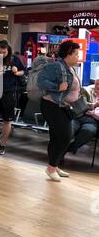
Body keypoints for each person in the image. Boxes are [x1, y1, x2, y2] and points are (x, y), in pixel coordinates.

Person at [37, 40, 81, 181]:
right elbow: (41, 81)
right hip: (51, 105)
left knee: (57, 137)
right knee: (65, 136)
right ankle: (51, 168)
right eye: (75, 54)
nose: (78, 57)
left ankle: (53, 166)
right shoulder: (56, 66)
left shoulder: (71, 68)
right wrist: (57, 87)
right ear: (67, 54)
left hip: (62, 106)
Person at [0, 40, 25, 155]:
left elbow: (23, 72)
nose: (2, 54)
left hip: (9, 92)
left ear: (8, 50)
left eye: (4, 52)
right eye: (0, 52)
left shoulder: (15, 59)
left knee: (7, 120)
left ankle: (2, 145)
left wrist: (17, 72)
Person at [67, 79, 99, 154]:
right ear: (94, 83)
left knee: (88, 131)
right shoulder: (86, 90)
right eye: (97, 84)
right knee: (69, 130)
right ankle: (59, 154)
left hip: (92, 121)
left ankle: (70, 149)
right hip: (79, 116)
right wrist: (95, 105)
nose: (98, 86)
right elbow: (80, 105)